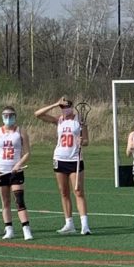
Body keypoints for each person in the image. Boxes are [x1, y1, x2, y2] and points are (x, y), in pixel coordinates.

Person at [34, 96, 91, 235]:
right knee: (64, 192)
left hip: (74, 159)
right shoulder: (59, 120)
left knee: (78, 191)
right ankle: (69, 223)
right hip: (60, 158)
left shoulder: (80, 121)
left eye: (67, 107)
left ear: (72, 107)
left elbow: (87, 141)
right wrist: (55, 103)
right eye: (62, 107)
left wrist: (81, 141)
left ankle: (85, 225)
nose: (65, 110)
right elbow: (38, 114)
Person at [0, 106, 33, 240]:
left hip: (15, 171)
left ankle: (26, 229)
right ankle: (9, 229)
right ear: (2, 117)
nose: (8, 118)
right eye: (6, 115)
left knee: (19, 200)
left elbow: (27, 153)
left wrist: (18, 164)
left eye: (11, 115)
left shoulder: (21, 132)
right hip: (2, 171)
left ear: (15, 116)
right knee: (5, 201)